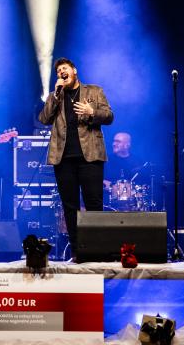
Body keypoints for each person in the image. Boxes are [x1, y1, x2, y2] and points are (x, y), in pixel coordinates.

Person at [38, 57, 113, 258]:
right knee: (69, 207)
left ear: (74, 71)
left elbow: (109, 116)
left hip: (91, 156)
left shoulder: (94, 91)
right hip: (63, 159)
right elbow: (44, 118)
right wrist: (56, 95)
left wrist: (92, 112)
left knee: (93, 204)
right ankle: (77, 251)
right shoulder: (56, 96)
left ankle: (97, 251)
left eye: (65, 68)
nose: (61, 72)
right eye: (58, 71)